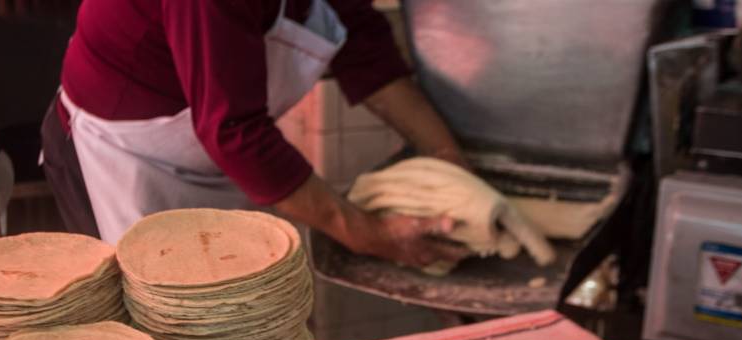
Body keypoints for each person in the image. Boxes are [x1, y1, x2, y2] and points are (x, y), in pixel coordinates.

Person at [40, 0, 471, 268]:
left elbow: (367, 55)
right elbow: (235, 131)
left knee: (246, 333)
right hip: (119, 161)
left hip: (215, 157)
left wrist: (450, 161)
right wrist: (369, 235)